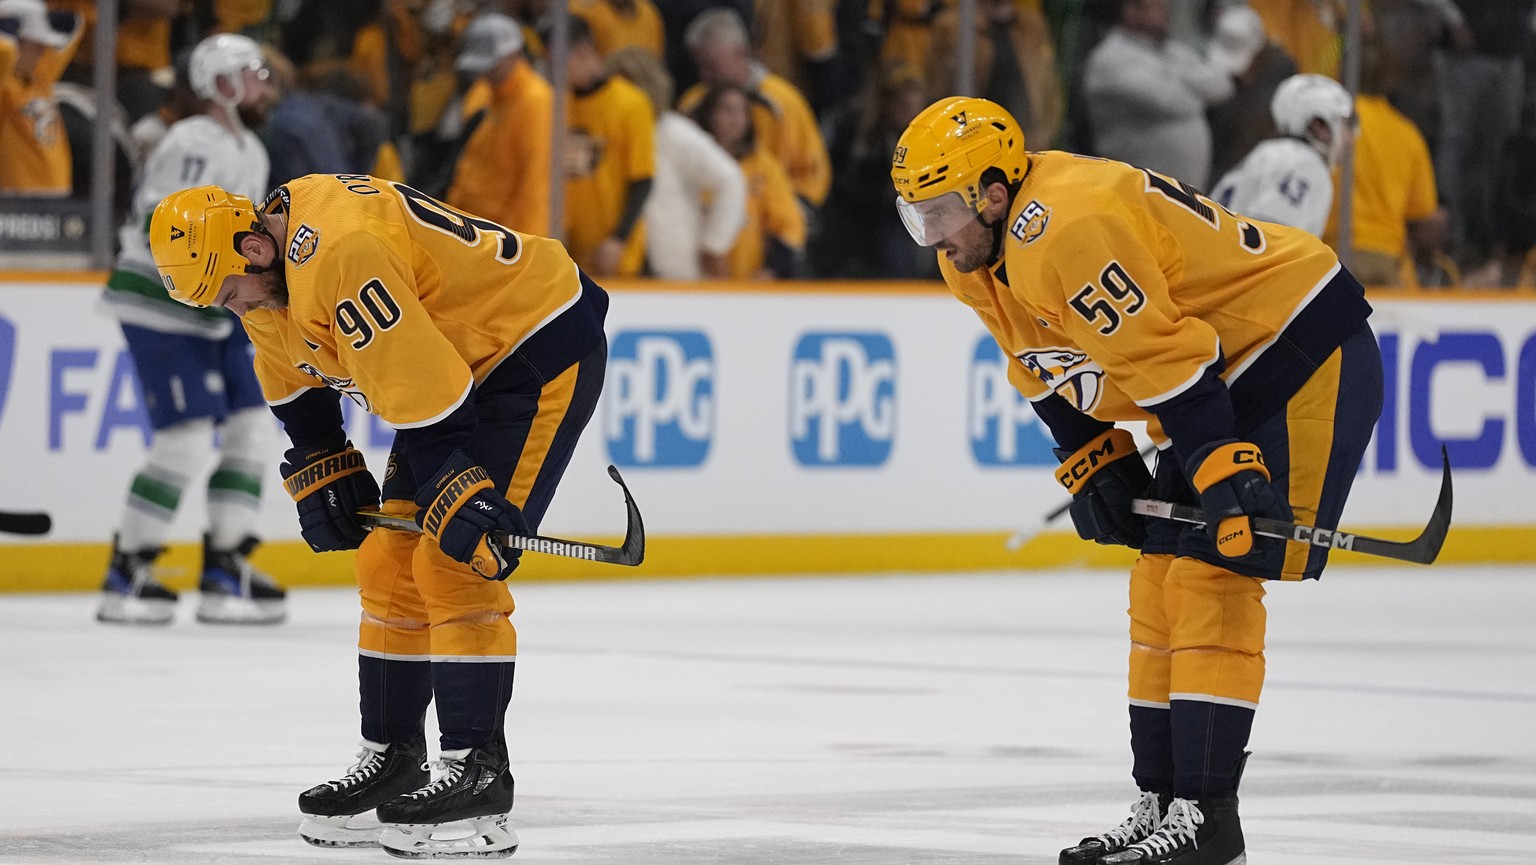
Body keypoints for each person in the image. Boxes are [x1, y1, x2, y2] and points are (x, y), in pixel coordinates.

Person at [891, 96, 1382, 864]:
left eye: (942, 211)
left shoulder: (1067, 227)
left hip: (1294, 345)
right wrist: (1098, 461)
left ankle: (1210, 821)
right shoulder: (975, 258)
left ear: (993, 191)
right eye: (916, 215)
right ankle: (1164, 803)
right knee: (1159, 580)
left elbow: (1168, 360)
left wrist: (1222, 466)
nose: (934, 235)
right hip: (1218, 373)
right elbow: (1041, 368)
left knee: (1211, 576)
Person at [148, 171, 609, 857]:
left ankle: (479, 768)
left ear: (255, 246)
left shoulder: (341, 251)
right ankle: (395, 754)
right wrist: (320, 458)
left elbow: (428, 396)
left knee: (456, 558)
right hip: (453, 363)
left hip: (530, 344)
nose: (232, 307)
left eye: (228, 290)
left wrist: (455, 481)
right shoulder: (266, 275)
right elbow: (301, 385)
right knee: (389, 560)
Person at [95, 32, 285, 626]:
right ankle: (127, 572)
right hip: (162, 301)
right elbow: (161, 219)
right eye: (251, 73)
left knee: (252, 426)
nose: (263, 84)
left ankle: (225, 566)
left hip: (216, 303)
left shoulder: (250, 148)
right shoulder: (193, 140)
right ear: (222, 82)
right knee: (184, 437)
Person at [605, 46, 747, 280]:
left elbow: (730, 178)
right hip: (620, 262)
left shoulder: (672, 132)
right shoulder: (609, 134)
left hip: (670, 268)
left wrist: (714, 244)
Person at [1083, 0, 1233, 189]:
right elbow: (1174, 102)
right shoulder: (1110, 58)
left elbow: (1222, 85)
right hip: (1136, 189)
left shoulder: (1171, 50)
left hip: (1183, 191)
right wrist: (1195, 88)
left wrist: (1172, 76)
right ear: (1131, 11)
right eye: (1156, 7)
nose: (1165, 13)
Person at [555, 14, 655, 277]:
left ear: (583, 54)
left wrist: (618, 239)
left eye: (558, 62)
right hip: (568, 254)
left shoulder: (630, 103)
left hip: (613, 255)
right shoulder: (557, 103)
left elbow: (642, 179)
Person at [446, 11, 553, 236]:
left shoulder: (536, 102)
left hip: (504, 236)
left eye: (492, 63)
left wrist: (525, 246)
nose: (486, 71)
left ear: (513, 54)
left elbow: (536, 181)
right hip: (470, 228)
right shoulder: (482, 94)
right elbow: (468, 161)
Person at [1212, 72, 1353, 237]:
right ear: (1319, 125)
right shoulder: (1305, 165)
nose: (1350, 136)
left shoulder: (1269, 153)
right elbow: (1268, 239)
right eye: (1344, 123)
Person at [0, 0, 81, 197]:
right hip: (16, 202)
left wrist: (40, 16)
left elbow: (77, 23)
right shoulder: (4, 86)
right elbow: (5, 50)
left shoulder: (41, 77)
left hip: (58, 196)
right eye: (36, 46)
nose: (43, 52)